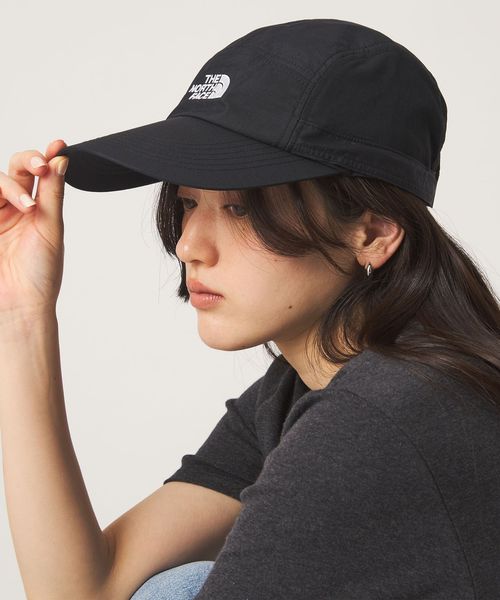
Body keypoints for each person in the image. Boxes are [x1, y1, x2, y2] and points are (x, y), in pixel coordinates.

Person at [1, 18, 499, 600]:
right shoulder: (308, 385)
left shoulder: (375, 422)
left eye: (240, 209)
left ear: (372, 233)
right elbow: (88, 588)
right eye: (189, 202)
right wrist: (21, 313)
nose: (189, 246)